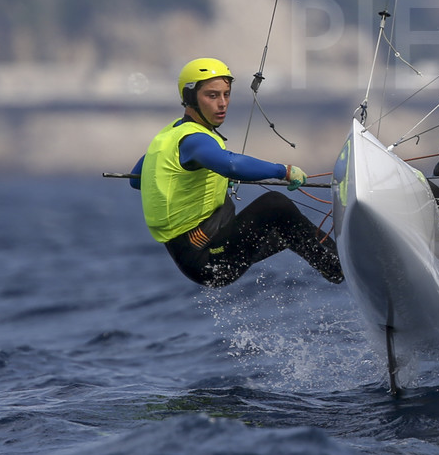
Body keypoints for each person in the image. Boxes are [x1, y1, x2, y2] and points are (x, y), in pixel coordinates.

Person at [130, 57, 342, 288]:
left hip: (195, 252)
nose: (222, 103)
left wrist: (194, 178)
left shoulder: (169, 135)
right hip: (207, 259)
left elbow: (137, 179)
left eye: (226, 94)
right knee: (274, 204)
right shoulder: (194, 140)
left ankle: (340, 258)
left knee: (286, 228)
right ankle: (340, 267)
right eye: (212, 96)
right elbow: (231, 165)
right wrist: (283, 171)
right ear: (190, 97)